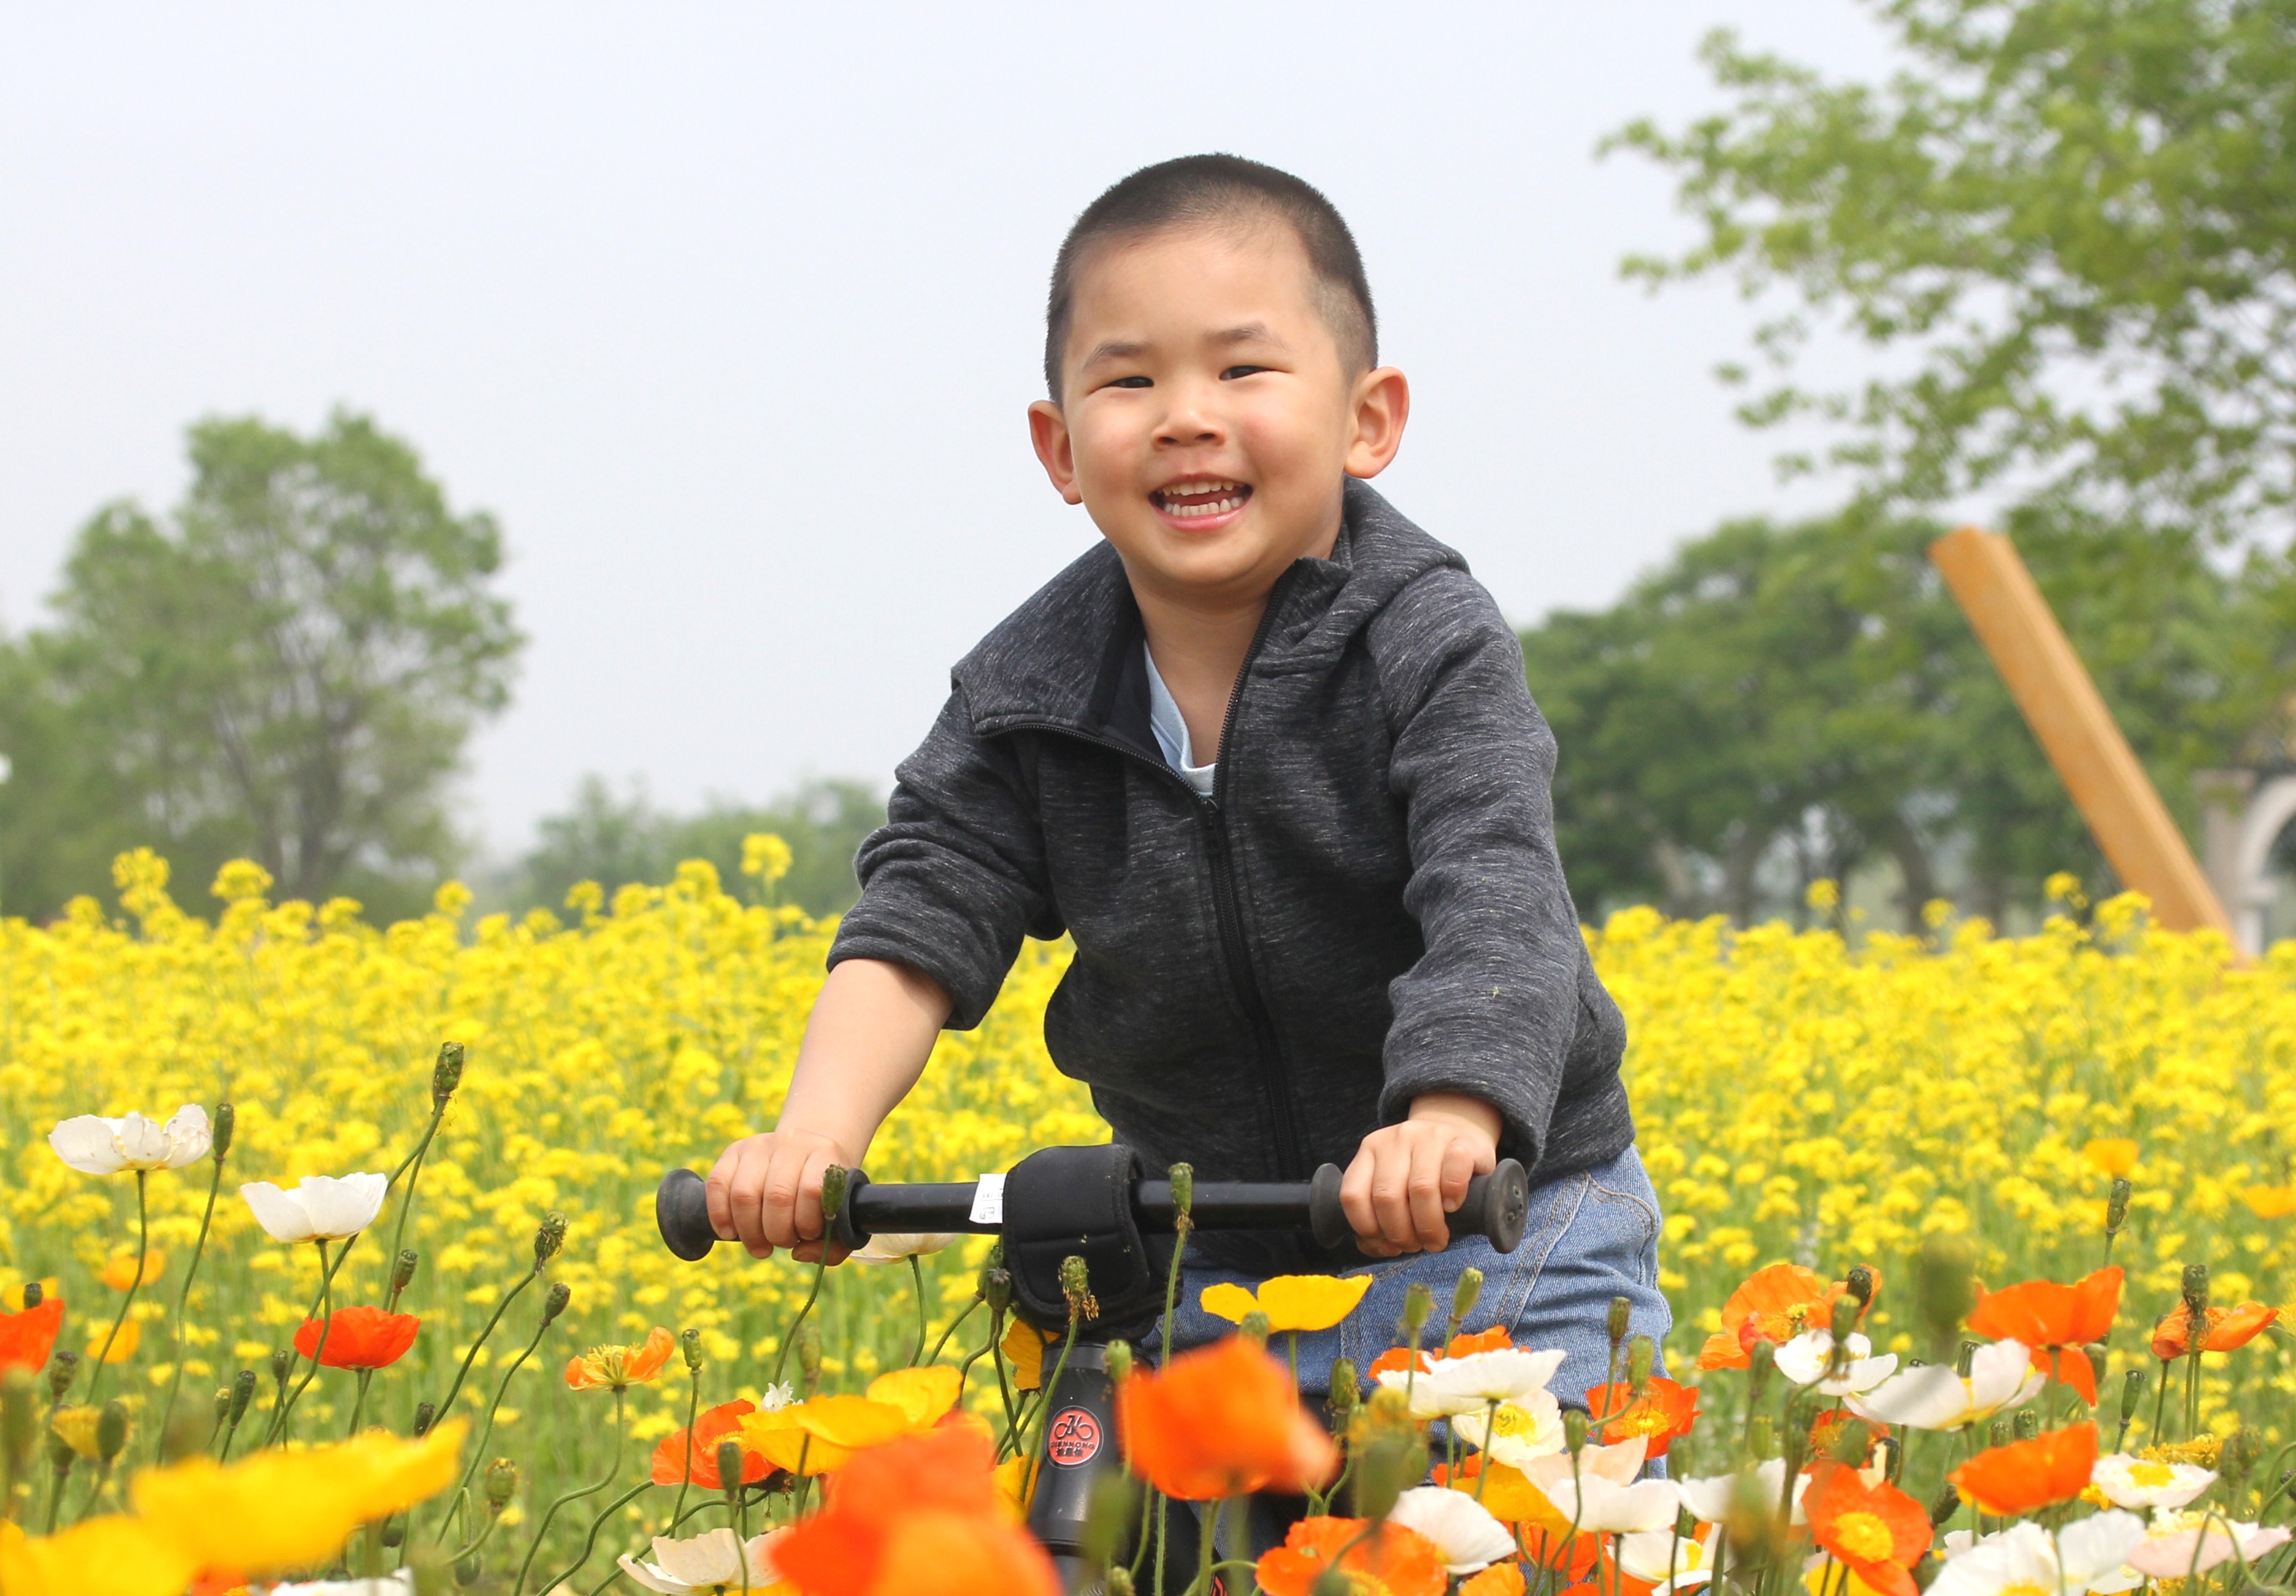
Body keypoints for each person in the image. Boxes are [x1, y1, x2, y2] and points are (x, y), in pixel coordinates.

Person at [702, 153, 1664, 1406]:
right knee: (1187, 1595)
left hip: (1496, 1222)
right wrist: (815, 1142)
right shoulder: (1024, 691)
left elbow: (1493, 890)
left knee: (1524, 1577)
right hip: (1201, 1242)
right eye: (1129, 378)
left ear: (1367, 419)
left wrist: (1449, 1118)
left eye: (1241, 368)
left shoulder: (1425, 639)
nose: (1184, 413)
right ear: (1058, 447)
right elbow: (919, 914)